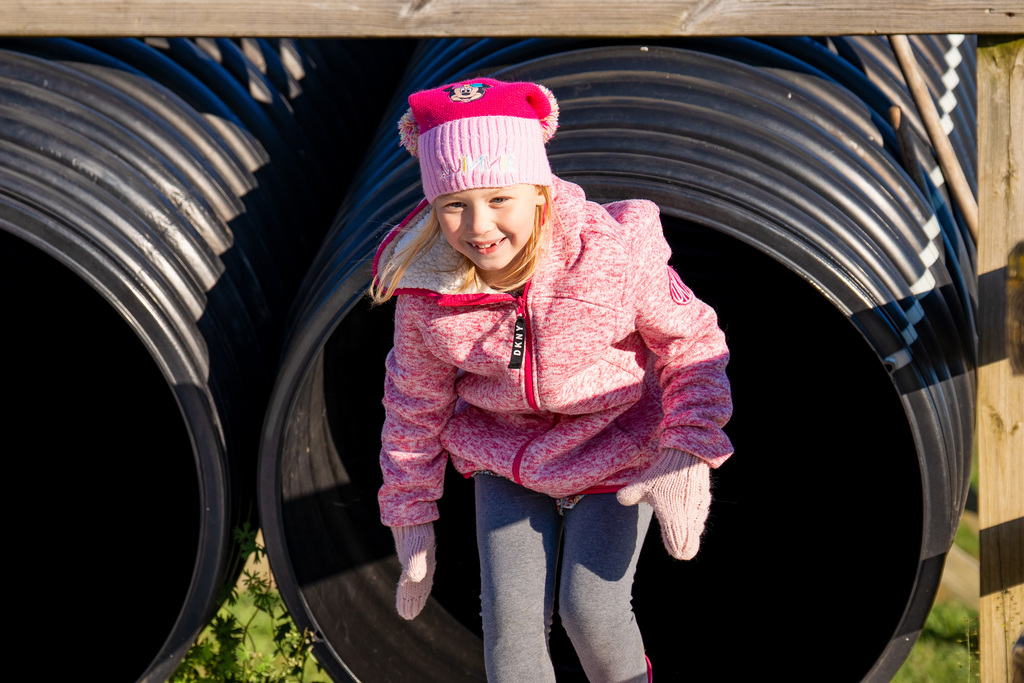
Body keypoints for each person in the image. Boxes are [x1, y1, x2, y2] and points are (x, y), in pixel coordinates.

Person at [369, 76, 733, 683]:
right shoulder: (429, 292)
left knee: (590, 608)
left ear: (538, 191)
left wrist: (687, 448)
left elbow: (692, 342)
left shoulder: (610, 253)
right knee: (511, 630)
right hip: (506, 456)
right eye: (454, 205)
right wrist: (410, 515)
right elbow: (413, 406)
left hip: (616, 445)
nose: (478, 226)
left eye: (499, 199)